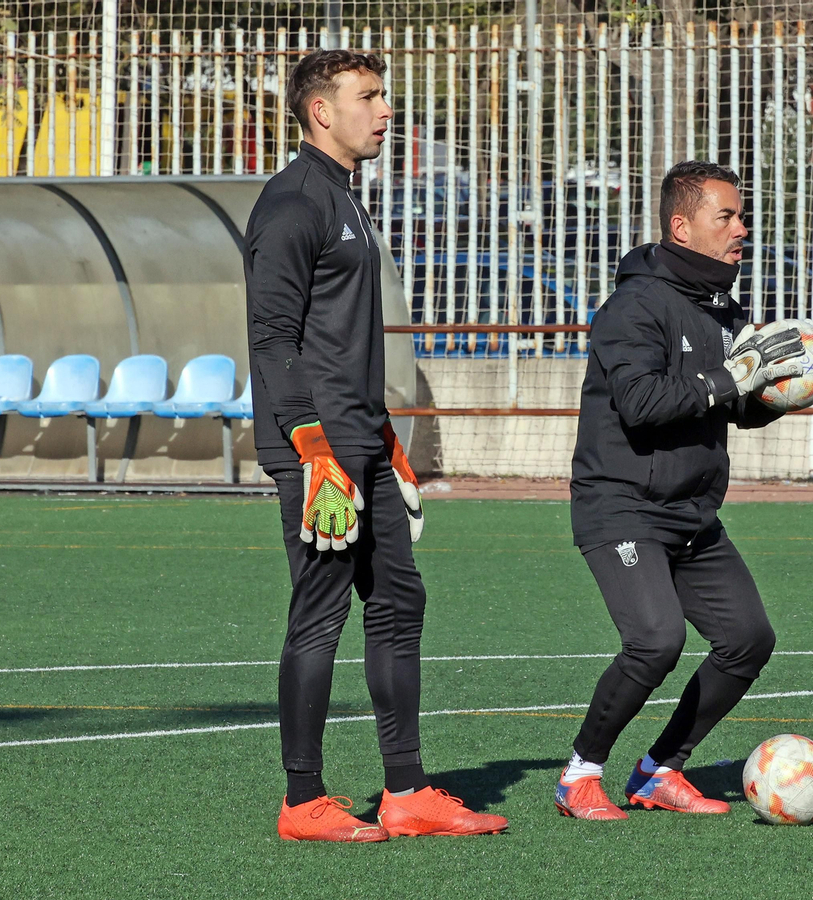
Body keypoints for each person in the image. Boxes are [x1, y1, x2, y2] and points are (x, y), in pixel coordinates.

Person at [245, 48, 507, 842]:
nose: (386, 110)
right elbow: (273, 337)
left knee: (399, 602)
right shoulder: (293, 202)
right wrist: (315, 443)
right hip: (316, 449)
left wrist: (382, 432)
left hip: (360, 438)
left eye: (385, 95)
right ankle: (303, 802)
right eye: (370, 96)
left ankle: (406, 790)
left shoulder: (344, 198)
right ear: (321, 110)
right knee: (320, 613)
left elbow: (337, 339)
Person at [555, 160, 813, 819]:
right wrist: (730, 379)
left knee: (748, 639)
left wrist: (791, 387)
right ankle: (580, 775)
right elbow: (642, 401)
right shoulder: (633, 306)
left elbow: (736, 406)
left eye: (742, 216)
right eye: (727, 217)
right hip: (622, 504)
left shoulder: (719, 308)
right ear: (682, 227)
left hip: (690, 512)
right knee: (655, 641)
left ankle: (658, 771)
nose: (742, 228)